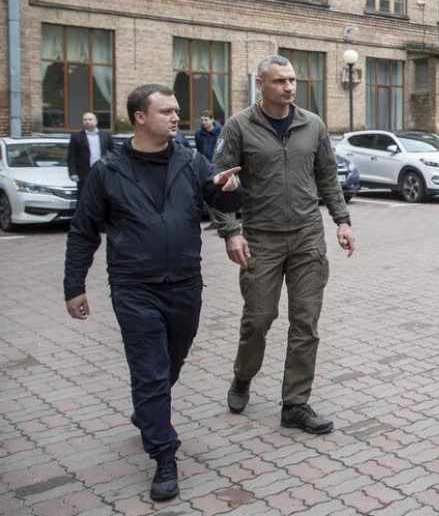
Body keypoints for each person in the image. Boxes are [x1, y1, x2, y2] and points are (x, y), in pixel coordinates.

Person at [63, 84, 242, 502]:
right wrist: (75, 286)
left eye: (177, 110)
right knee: (151, 370)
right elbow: (83, 232)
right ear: (139, 117)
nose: (176, 117)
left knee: (171, 361)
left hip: (184, 284)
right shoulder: (108, 171)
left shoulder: (190, 158)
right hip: (134, 288)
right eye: (166, 111)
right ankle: (164, 455)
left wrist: (228, 191)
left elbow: (221, 201)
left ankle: (148, 409)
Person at [212, 55, 355, 435]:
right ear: (261, 83)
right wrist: (231, 230)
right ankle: (243, 377)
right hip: (261, 238)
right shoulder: (240, 126)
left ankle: (295, 403)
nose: (289, 87)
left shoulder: (313, 125)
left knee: (305, 323)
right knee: (259, 320)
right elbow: (220, 182)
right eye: (279, 81)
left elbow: (327, 177)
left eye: (292, 80)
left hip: (308, 236)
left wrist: (342, 221)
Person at [67, 112, 114, 197]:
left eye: (90, 119)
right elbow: (71, 156)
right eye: (85, 120)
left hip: (103, 172)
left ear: (96, 121)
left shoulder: (106, 135)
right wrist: (73, 173)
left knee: (102, 196)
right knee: (83, 197)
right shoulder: (76, 136)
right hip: (84, 173)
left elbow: (113, 152)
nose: (87, 121)